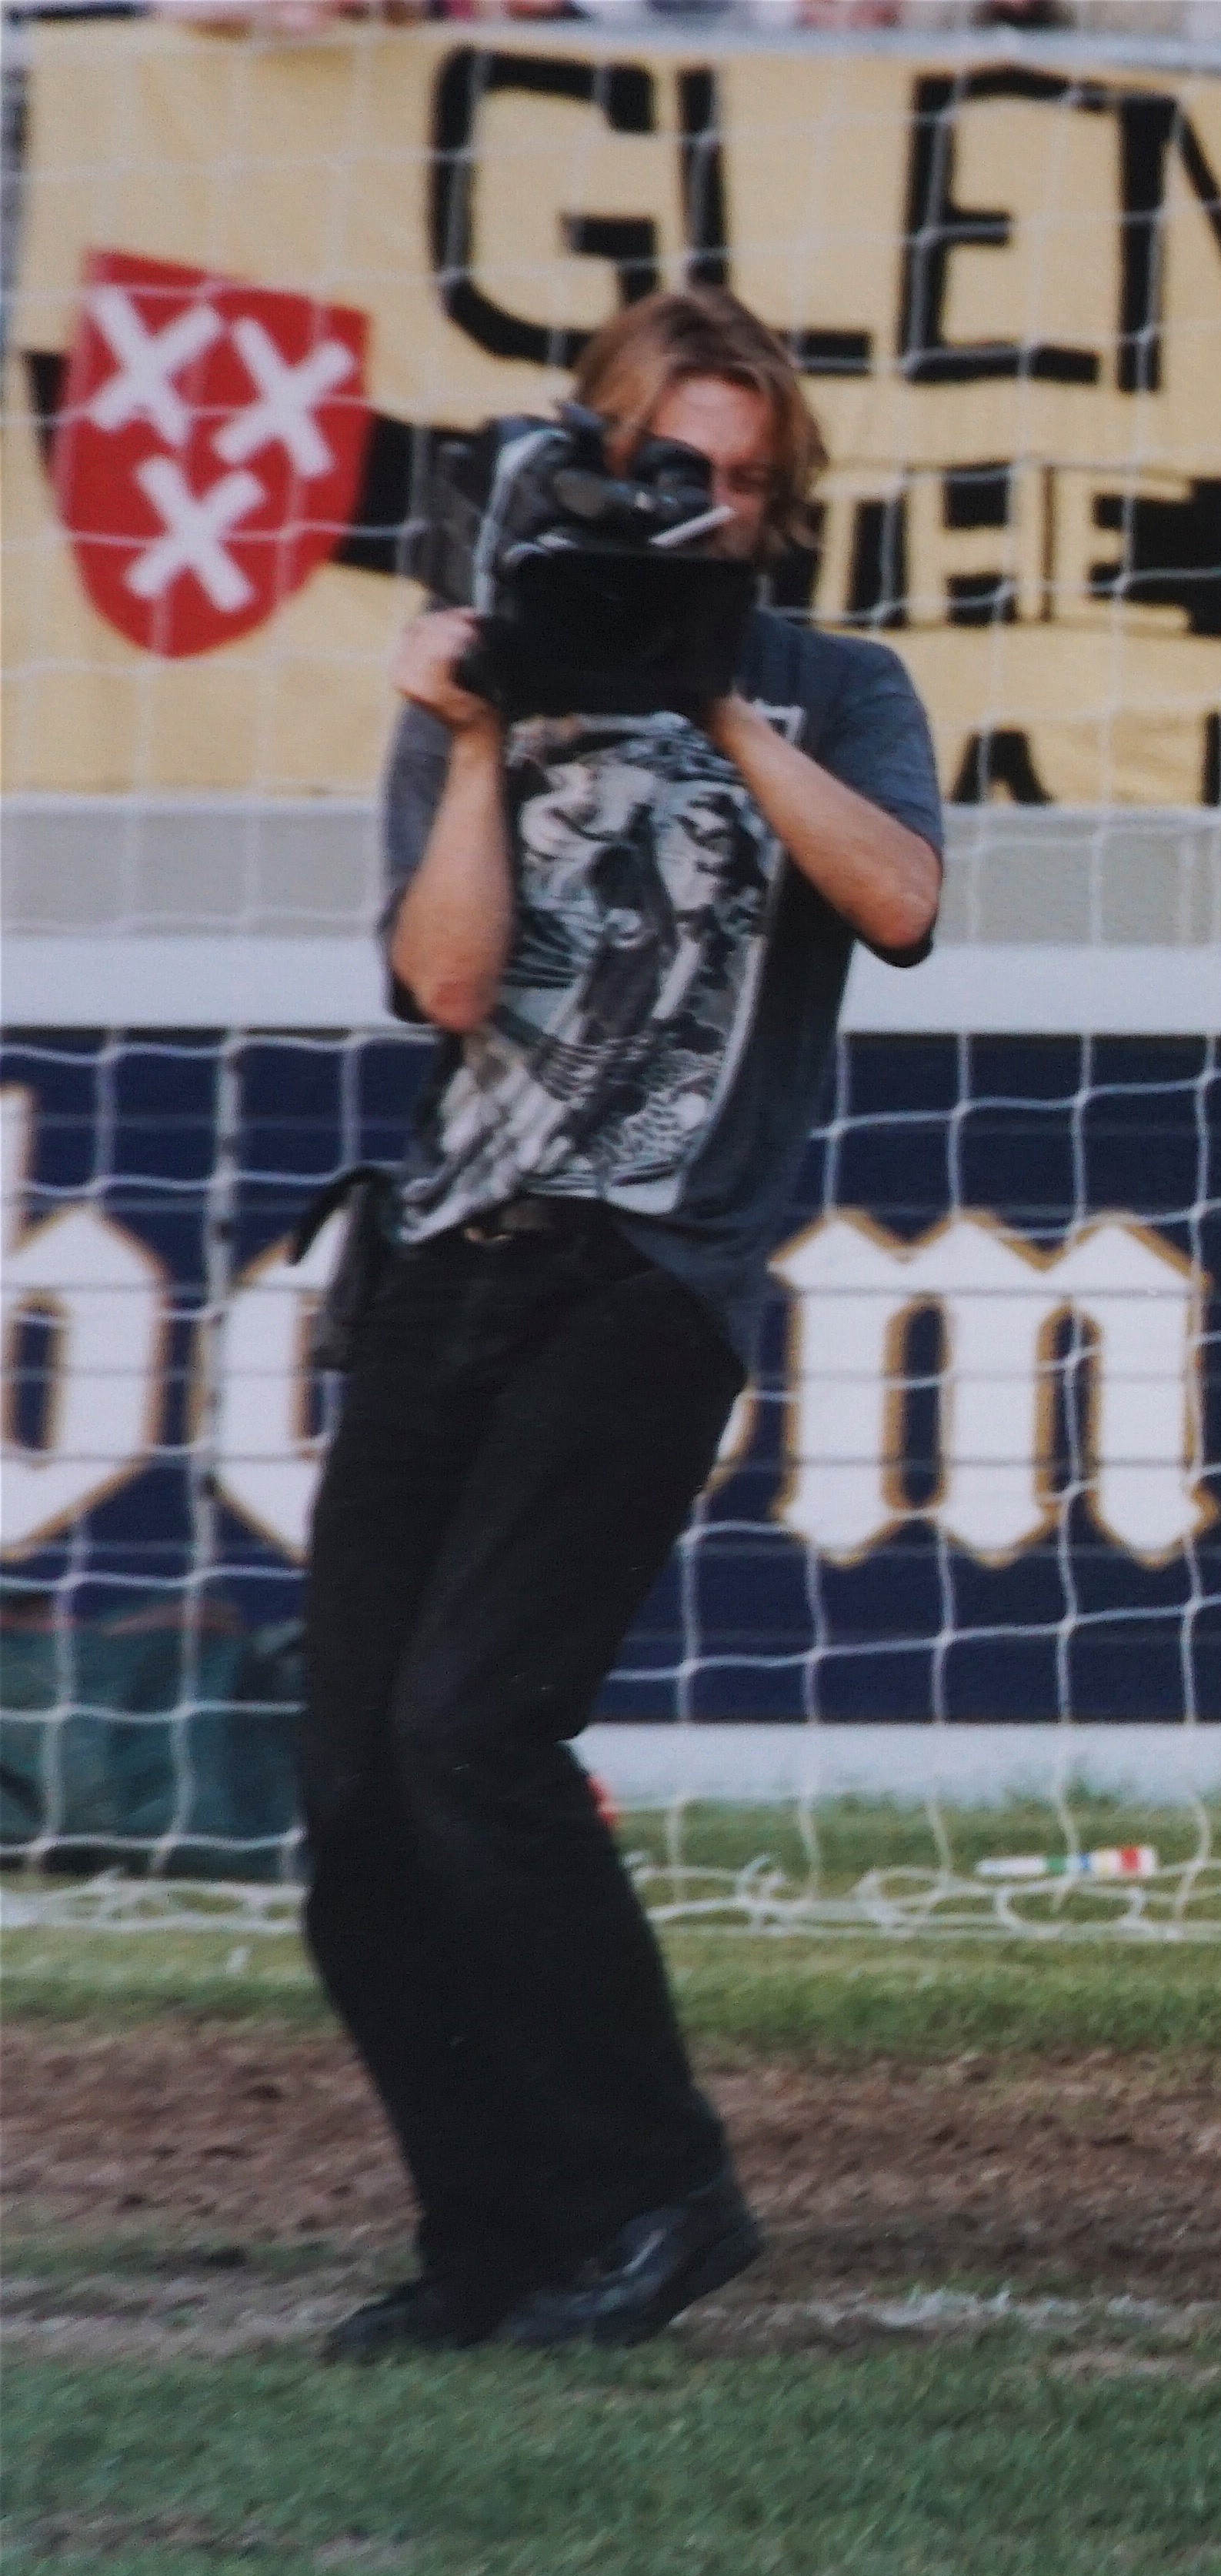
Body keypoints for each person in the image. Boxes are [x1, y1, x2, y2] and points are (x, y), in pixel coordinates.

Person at [304, 289, 943, 2363]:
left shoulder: (833, 679)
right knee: (351, 1800)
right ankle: (491, 2232)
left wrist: (722, 699)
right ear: (592, 461)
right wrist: (486, 725)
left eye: (751, 483)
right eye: (681, 474)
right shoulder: (482, 682)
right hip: (444, 1250)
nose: (719, 510)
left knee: (474, 1727)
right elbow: (450, 985)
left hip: (648, 1274)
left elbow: (906, 903)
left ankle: (656, 2185)